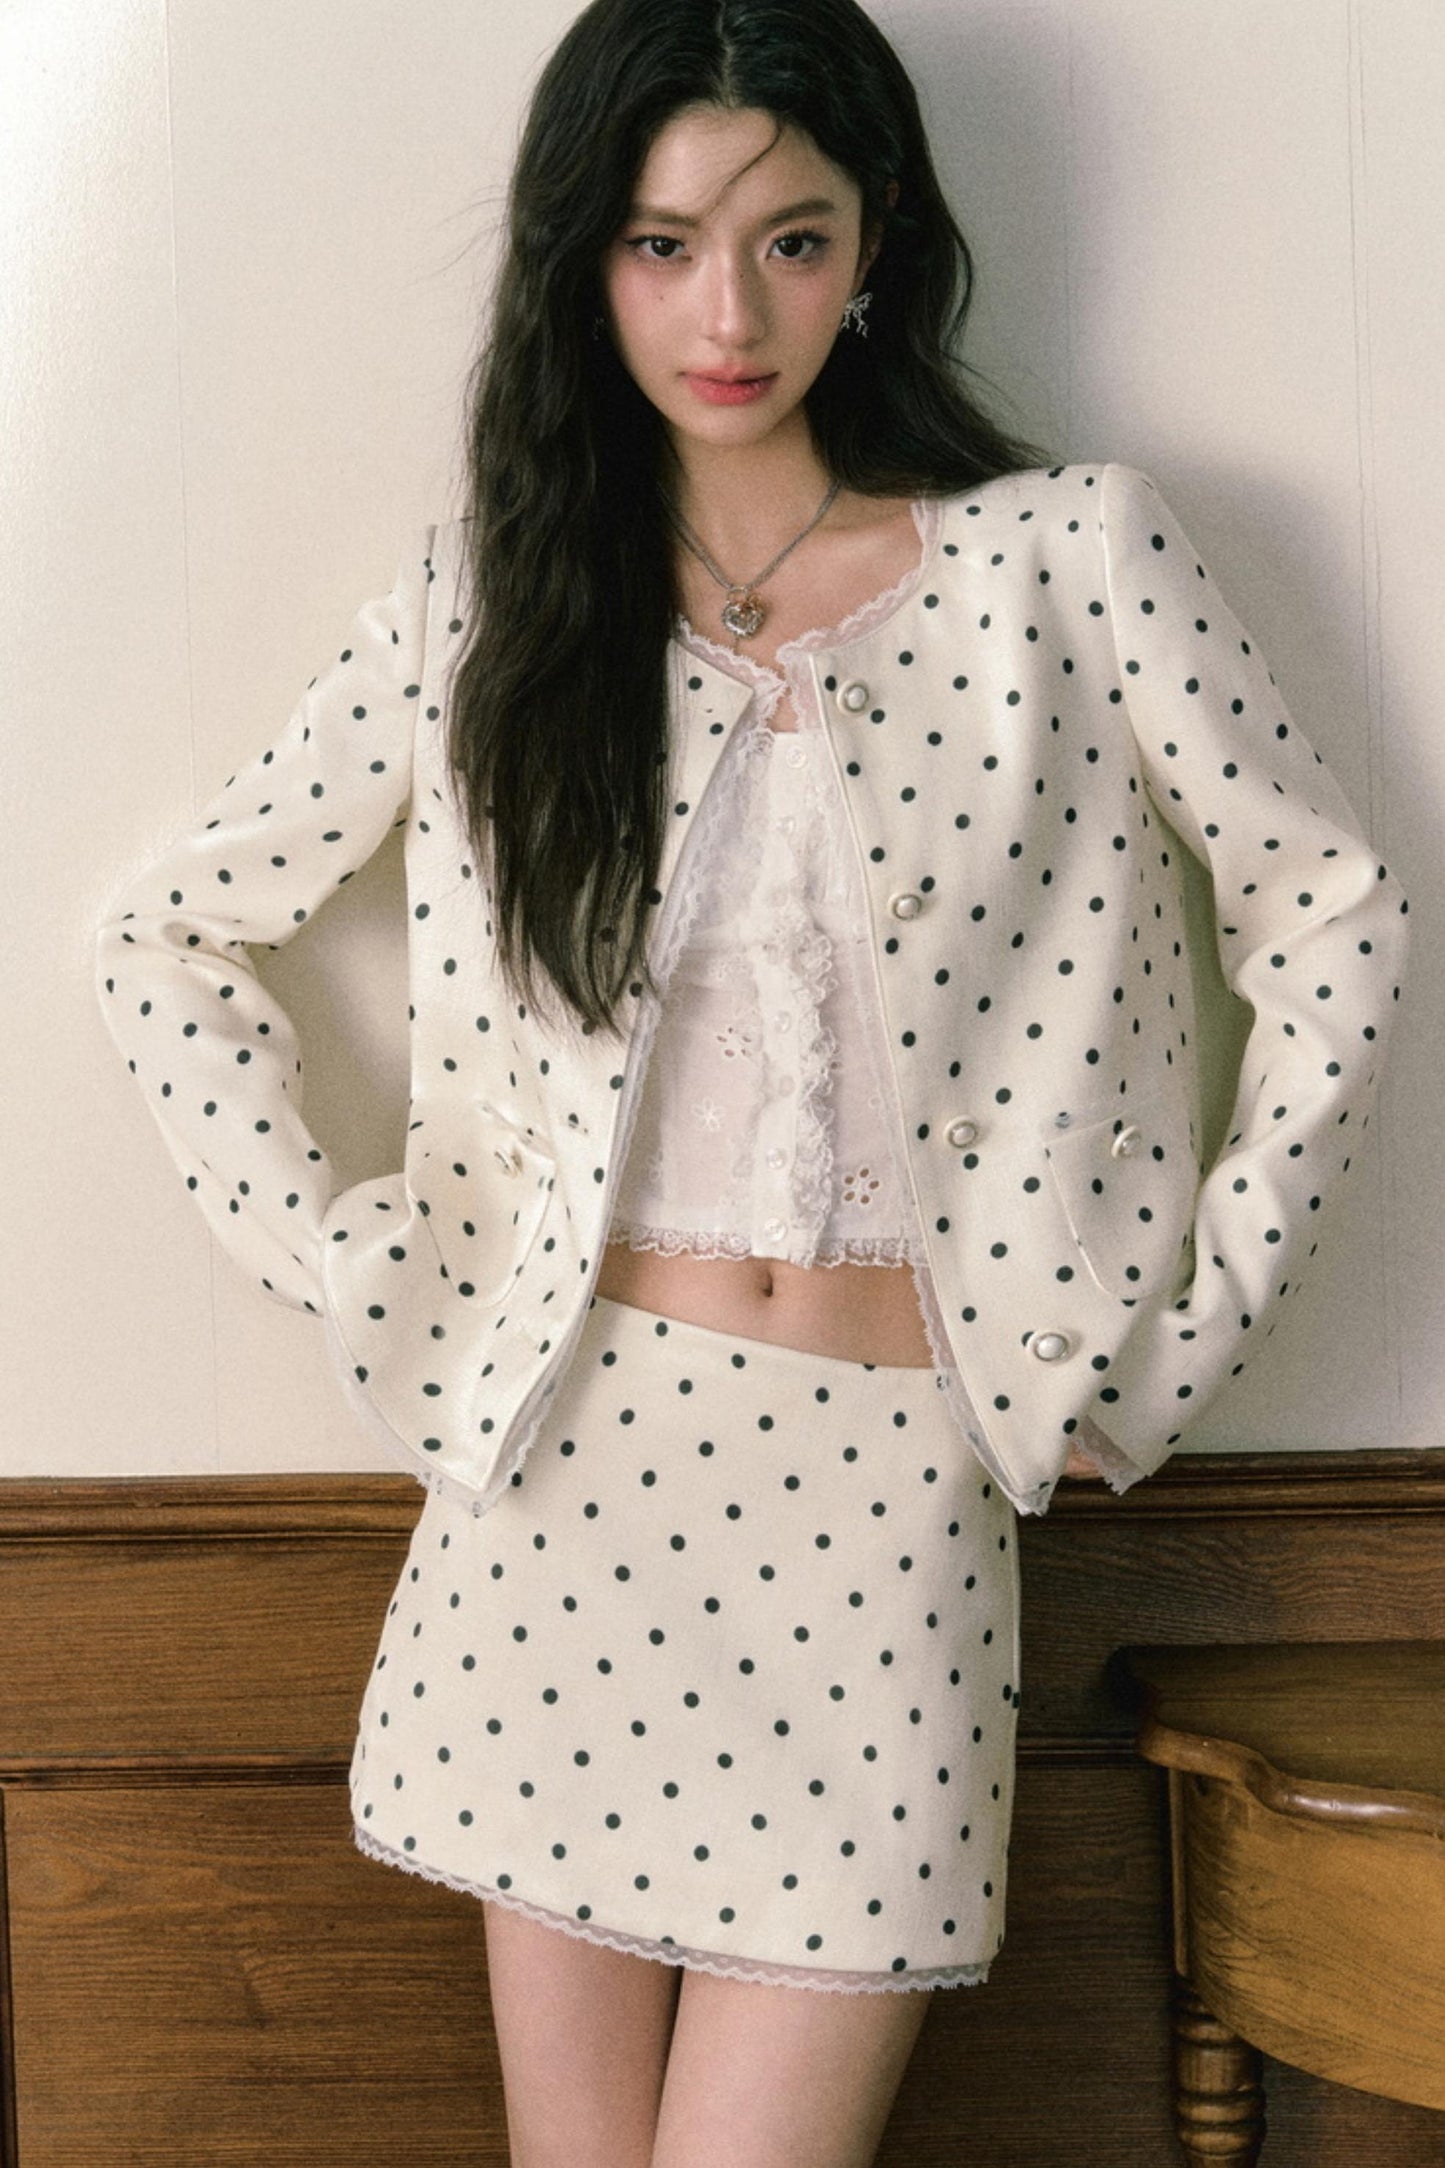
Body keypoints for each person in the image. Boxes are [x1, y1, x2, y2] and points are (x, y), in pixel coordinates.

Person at [94, 0, 1409, 2161]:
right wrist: (347, 1260)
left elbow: (1334, 909)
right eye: (663, 244)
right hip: (563, 1486)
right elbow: (168, 935)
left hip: (894, 1506)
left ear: (875, 244)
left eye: (791, 241)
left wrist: (1185, 1332)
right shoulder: (490, 614)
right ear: (583, 263)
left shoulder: (1066, 561)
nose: (730, 314)